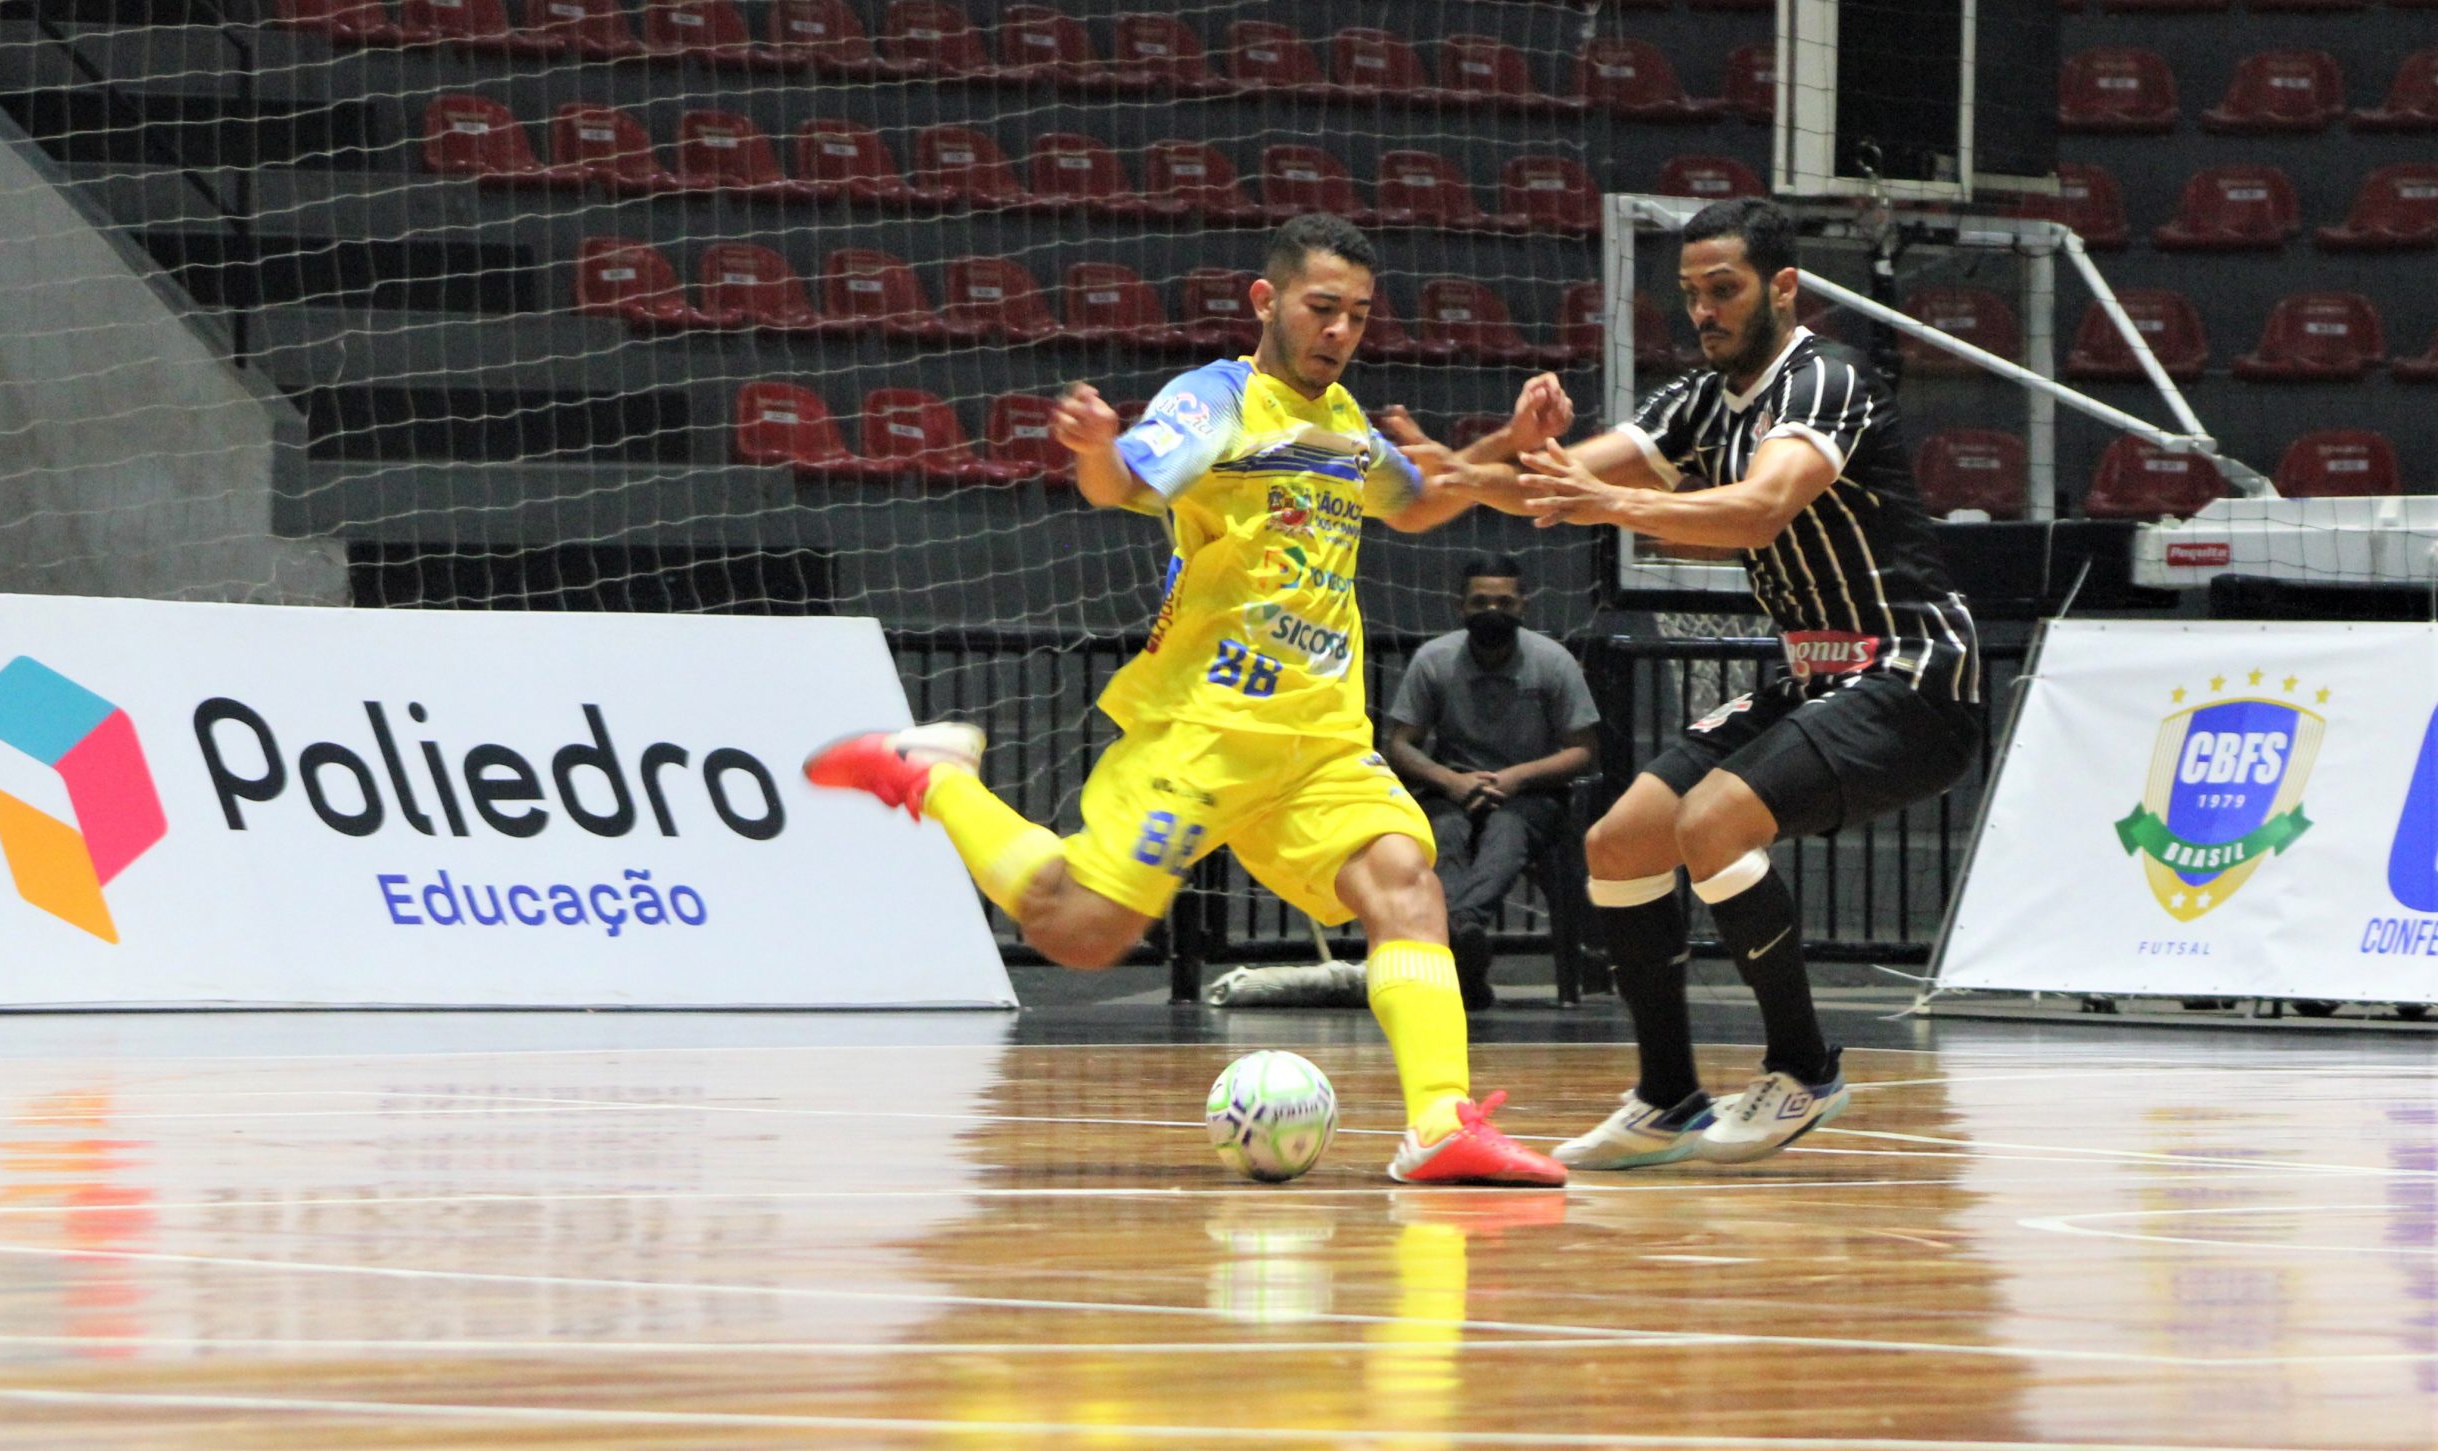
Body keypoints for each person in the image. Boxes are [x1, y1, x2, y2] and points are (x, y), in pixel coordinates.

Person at [804, 215, 1567, 1187]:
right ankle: (934, 777)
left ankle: (1438, 1124)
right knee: (1077, 933)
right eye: (1320, 308)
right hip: (1205, 730)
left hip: (1318, 742)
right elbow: (1121, 478)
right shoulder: (1216, 401)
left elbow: (1414, 497)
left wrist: (1509, 441)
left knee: (1404, 884)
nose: (1338, 331)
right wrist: (1092, 446)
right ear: (1267, 300)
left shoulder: (1341, 419)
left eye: (1357, 316)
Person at [1439, 196, 1983, 1169]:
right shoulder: (1696, 399)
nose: (1703, 311)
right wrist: (1458, 460)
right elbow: (1544, 482)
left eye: (1723, 289)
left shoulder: (1824, 379)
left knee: (1713, 821)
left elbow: (1764, 506)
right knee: (1618, 841)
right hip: (1811, 672)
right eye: (1690, 294)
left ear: (1782, 288)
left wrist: (1607, 500)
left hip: (1911, 670)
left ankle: (1803, 1070)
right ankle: (1667, 1099)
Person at [1381, 553, 1598, 1010]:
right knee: (1444, 834)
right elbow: (1399, 744)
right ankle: (1467, 943)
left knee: (1507, 832)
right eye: (1480, 601)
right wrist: (1448, 780)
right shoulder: (1434, 660)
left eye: (1503, 601)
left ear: (1523, 605)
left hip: (1532, 796)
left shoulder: (1553, 662)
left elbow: (1583, 749)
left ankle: (1461, 925)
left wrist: (1517, 778)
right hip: (1450, 791)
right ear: (1460, 607)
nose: (1492, 611)